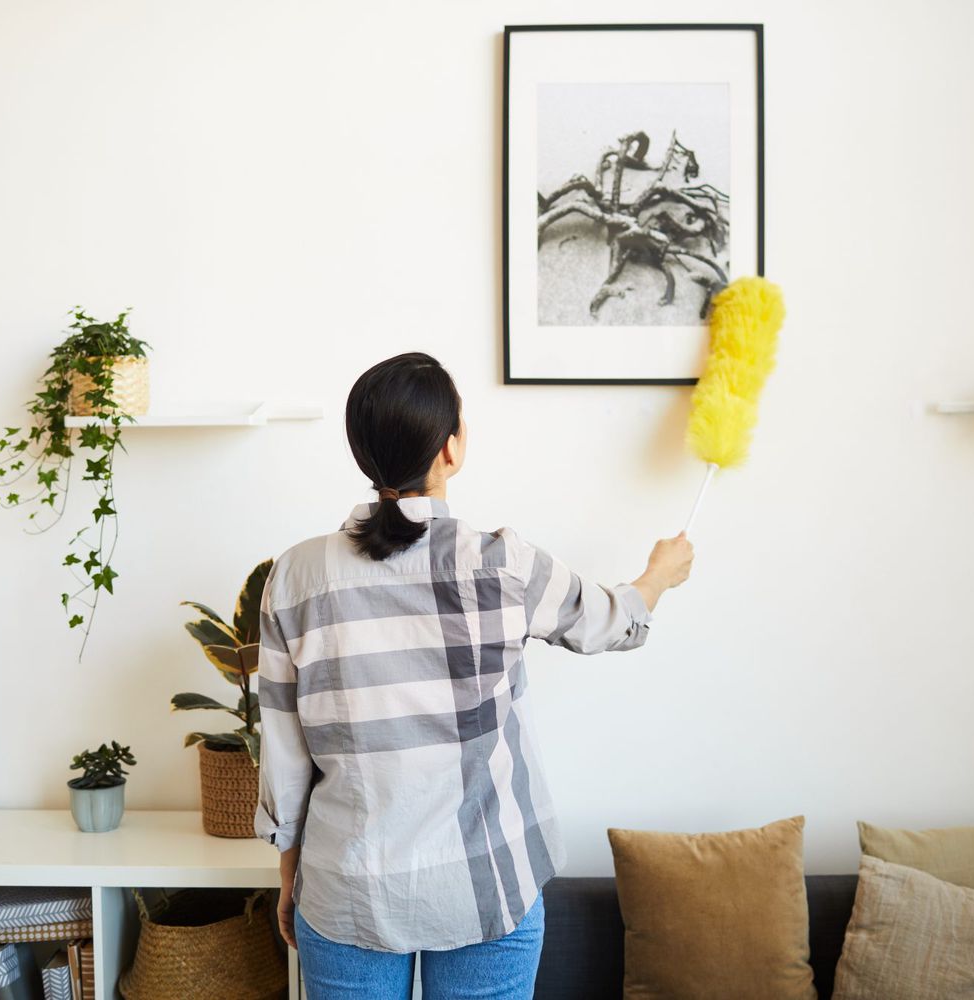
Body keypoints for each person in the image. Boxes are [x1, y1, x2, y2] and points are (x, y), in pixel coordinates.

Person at [255, 352, 694, 999]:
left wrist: (290, 873)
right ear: (451, 450)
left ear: (365, 455)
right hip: (488, 885)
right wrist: (659, 574)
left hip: (347, 886)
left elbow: (285, 754)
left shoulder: (295, 576)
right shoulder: (502, 565)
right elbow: (610, 623)